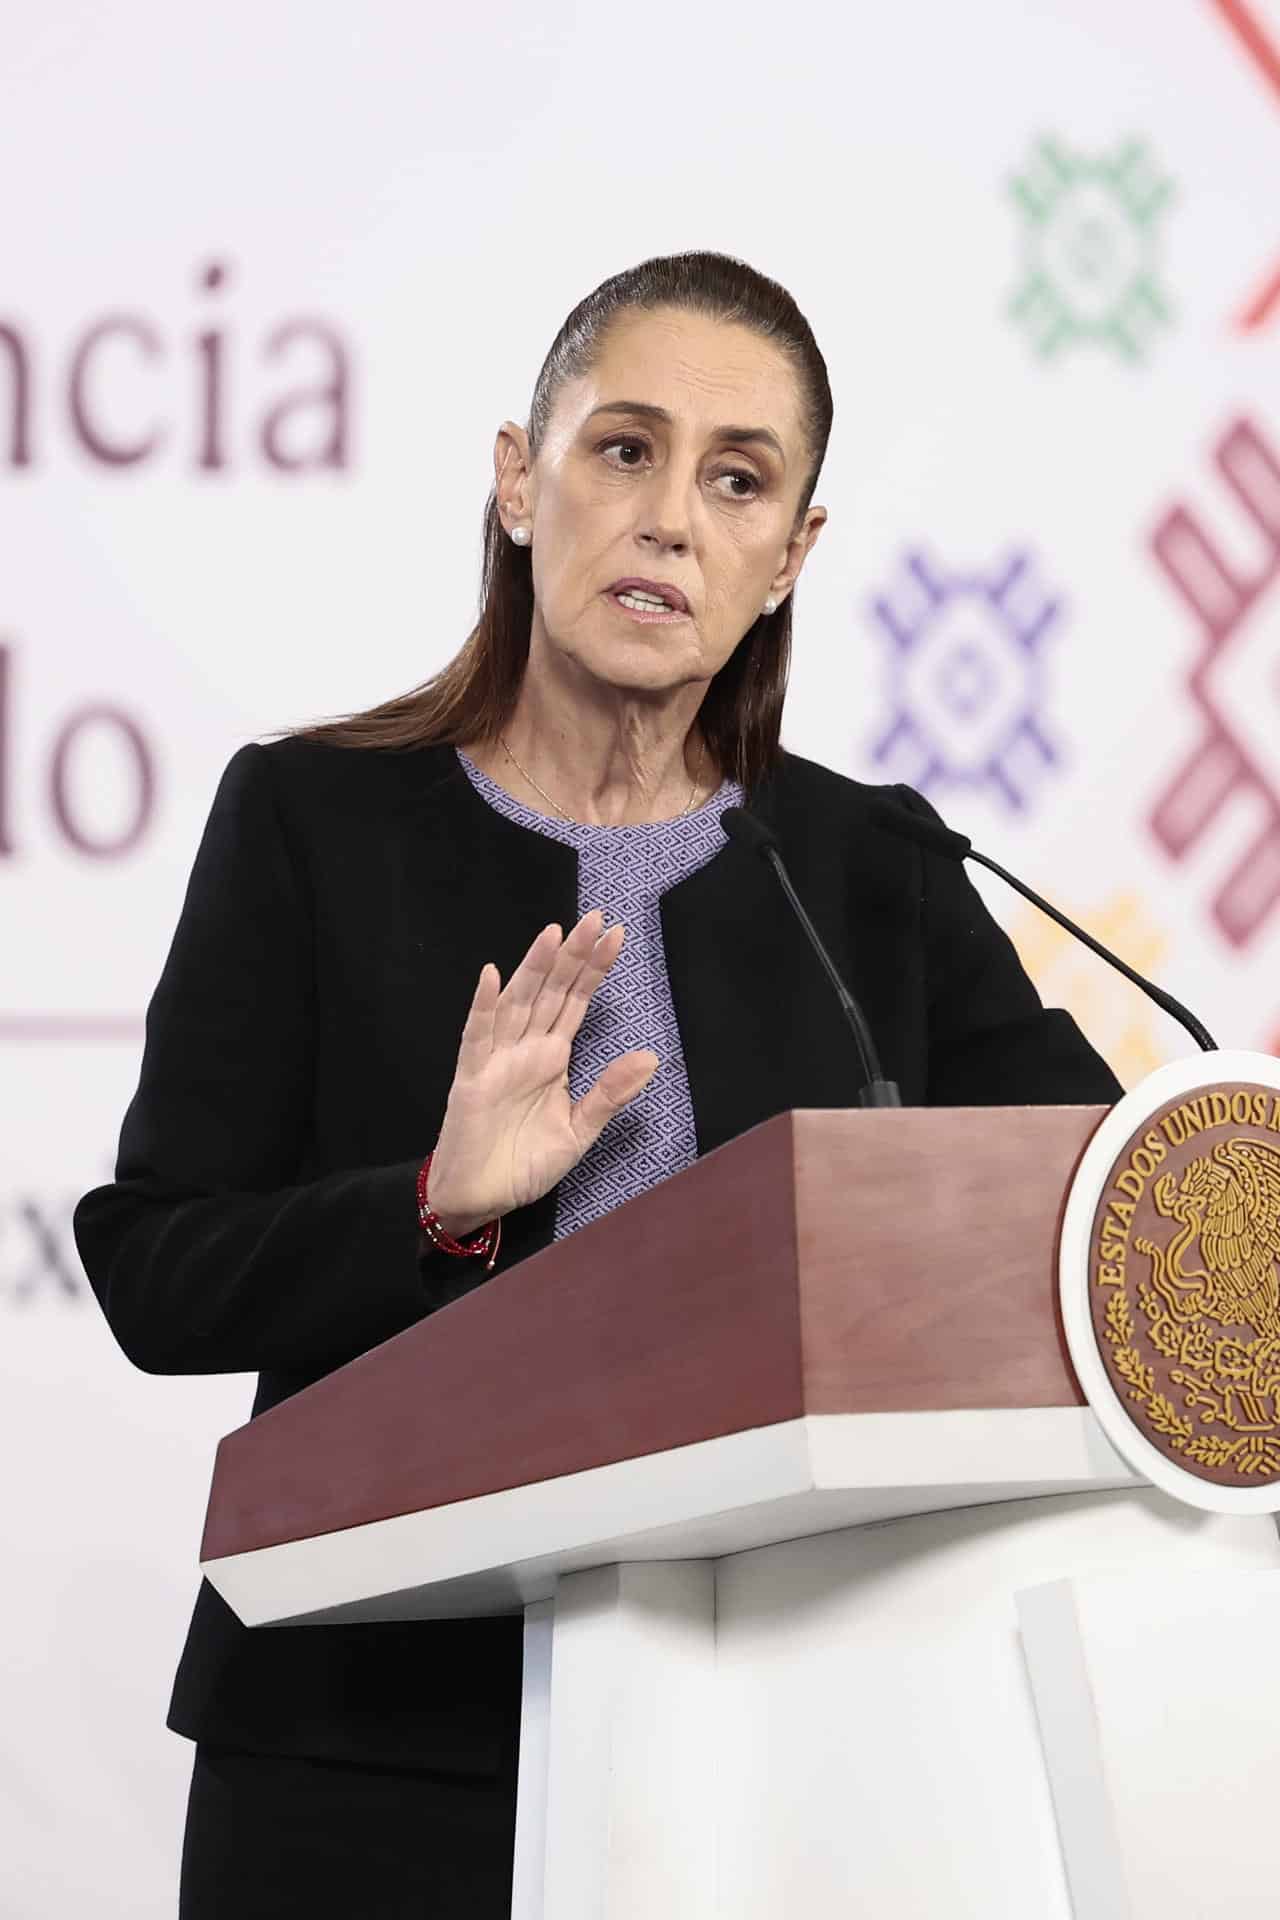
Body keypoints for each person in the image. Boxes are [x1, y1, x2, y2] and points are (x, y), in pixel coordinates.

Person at [73, 249, 1122, 1917]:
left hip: (800, 1746)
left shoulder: (873, 869)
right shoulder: (309, 824)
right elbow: (151, 1266)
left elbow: (1090, 1208)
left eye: (737, 479)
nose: (670, 518)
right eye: (622, 450)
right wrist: (434, 1206)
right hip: (377, 1752)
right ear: (517, 479)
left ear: (791, 557)